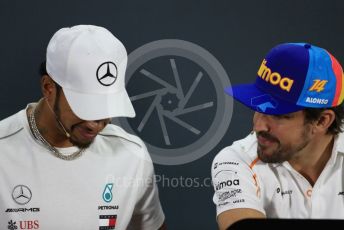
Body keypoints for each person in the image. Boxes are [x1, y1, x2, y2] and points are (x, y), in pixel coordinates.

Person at [0, 25, 166, 230]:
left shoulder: (132, 155)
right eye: (85, 106)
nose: (95, 123)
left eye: (105, 105)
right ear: (48, 87)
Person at [211, 42, 344, 230]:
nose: (258, 126)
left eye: (279, 115)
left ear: (322, 121)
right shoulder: (235, 160)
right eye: (258, 108)